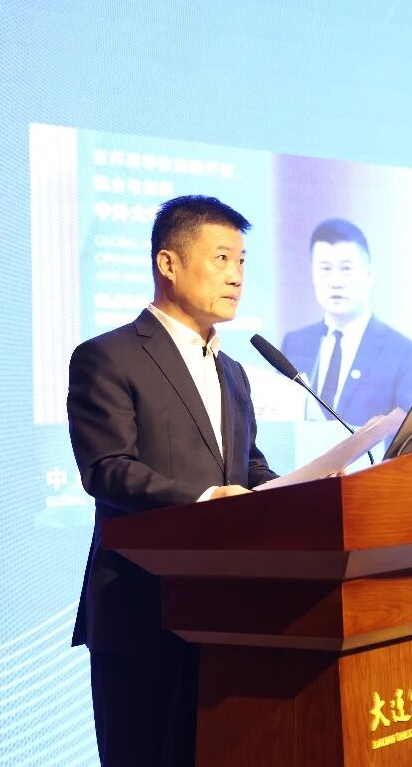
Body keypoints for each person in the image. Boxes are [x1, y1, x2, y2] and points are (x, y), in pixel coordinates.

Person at [67, 195, 276, 766]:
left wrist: (308, 491)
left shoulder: (233, 371)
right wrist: (205, 501)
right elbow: (107, 468)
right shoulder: (108, 356)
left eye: (242, 261)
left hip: (229, 617)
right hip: (142, 610)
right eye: (222, 258)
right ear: (169, 263)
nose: (236, 277)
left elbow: (249, 468)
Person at [281, 218, 412, 426]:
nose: (335, 282)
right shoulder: (295, 343)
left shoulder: (402, 352)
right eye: (325, 269)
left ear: (369, 273)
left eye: (346, 269)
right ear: (312, 273)